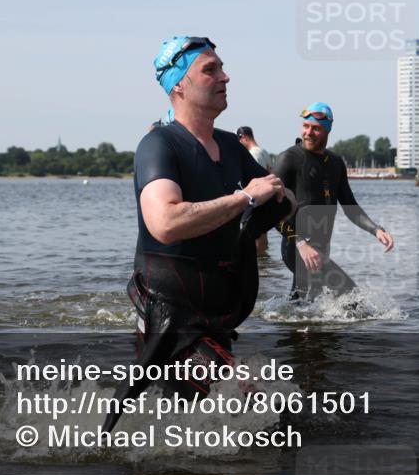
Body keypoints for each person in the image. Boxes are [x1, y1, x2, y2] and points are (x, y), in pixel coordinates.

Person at [104, 36, 295, 433]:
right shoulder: (159, 145)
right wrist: (244, 198)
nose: (225, 76)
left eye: (222, 67)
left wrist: (279, 198)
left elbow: (272, 196)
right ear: (179, 85)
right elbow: (166, 223)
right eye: (210, 70)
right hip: (171, 312)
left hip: (215, 312)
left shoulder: (228, 145)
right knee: (259, 411)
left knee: (225, 421)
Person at [273, 102, 394, 302]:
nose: (309, 132)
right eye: (306, 126)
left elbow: (350, 206)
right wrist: (301, 244)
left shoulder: (336, 163)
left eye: (316, 128)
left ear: (328, 129)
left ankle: (288, 325)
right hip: (297, 248)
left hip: (320, 249)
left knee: (304, 304)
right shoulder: (288, 159)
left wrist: (376, 230)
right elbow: (272, 214)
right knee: (352, 299)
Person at [237, 126, 274, 256]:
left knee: (254, 234)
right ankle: (264, 260)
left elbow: (253, 179)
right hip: (267, 197)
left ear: (243, 137)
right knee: (263, 232)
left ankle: (259, 263)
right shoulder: (264, 152)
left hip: (257, 199)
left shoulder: (252, 154)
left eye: (239, 140)